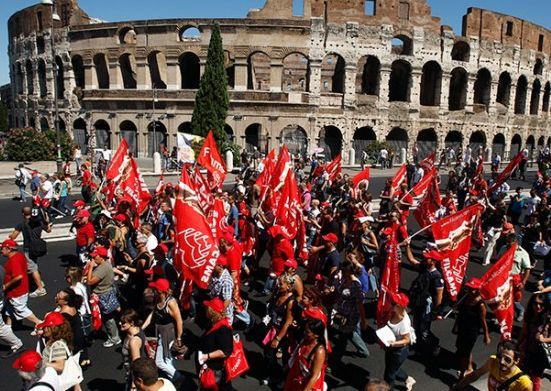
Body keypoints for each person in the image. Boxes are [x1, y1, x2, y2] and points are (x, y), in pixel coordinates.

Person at [142, 278, 185, 386]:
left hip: (168, 333)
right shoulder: (158, 299)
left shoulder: (171, 302)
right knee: (167, 358)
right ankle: (175, 380)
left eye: (155, 288)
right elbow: (153, 314)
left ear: (160, 290)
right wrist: (142, 328)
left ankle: (177, 377)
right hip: (160, 331)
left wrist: (179, 338)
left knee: (159, 362)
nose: (153, 290)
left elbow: (179, 320)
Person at [452, 340, 532, 390]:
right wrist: (458, 387)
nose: (501, 362)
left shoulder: (524, 383)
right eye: (499, 356)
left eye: (507, 359)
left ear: (516, 361)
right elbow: (476, 374)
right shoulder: (493, 361)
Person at [452, 278, 491, 380]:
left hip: (471, 331)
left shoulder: (480, 305)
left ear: (477, 290)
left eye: (472, 289)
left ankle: (463, 374)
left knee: (465, 351)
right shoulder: (465, 298)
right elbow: (460, 313)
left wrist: (486, 336)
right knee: (462, 349)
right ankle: (469, 367)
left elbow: (483, 321)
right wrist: (455, 326)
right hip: (462, 327)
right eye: (469, 288)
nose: (470, 290)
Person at [2, 239, 42, 328]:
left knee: (21, 309)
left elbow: (18, 276)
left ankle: (39, 323)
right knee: (9, 308)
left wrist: (5, 286)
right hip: (17, 290)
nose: (1, 250)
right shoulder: (19, 256)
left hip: (17, 291)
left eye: (3, 248)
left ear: (9, 249)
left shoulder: (14, 261)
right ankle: (8, 326)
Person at [86, 245, 121, 347]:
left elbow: (89, 281)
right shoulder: (104, 265)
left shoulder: (102, 268)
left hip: (103, 295)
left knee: (107, 317)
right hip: (105, 293)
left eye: (95, 257)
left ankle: (114, 338)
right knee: (106, 316)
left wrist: (91, 267)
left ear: (101, 257)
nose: (93, 258)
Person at [10, 206, 49, 298]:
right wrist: (46, 221)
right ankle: (39, 282)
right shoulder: (39, 222)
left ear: (23, 214)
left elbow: (13, 237)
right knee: (33, 264)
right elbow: (48, 230)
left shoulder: (22, 224)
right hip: (38, 247)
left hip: (28, 248)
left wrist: (11, 235)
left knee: (32, 268)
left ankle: (40, 288)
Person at [198, 298, 234, 391]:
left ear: (212, 312)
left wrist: (207, 356)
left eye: (208, 308)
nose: (205, 309)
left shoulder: (223, 329)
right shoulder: (213, 323)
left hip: (215, 370)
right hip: (209, 366)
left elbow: (225, 351)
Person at [383, 291, 416, 391]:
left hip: (399, 351)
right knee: (392, 368)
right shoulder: (394, 312)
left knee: (389, 375)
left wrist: (394, 343)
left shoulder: (404, 323)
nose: (390, 303)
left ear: (400, 306)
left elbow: (406, 340)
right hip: (391, 347)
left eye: (393, 303)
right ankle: (408, 379)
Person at [284, 318, 327, 391]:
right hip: (297, 376)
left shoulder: (319, 351)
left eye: (307, 332)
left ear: (316, 335)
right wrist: (288, 366)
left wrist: (306, 390)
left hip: (308, 384)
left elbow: (315, 375)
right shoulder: (305, 340)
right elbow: (296, 354)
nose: (304, 333)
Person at [120, 309, 147, 390]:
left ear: (131, 323)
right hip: (130, 372)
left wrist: (134, 384)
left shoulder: (134, 341)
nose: (120, 323)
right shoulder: (135, 330)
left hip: (135, 375)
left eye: (123, 323)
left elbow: (136, 364)